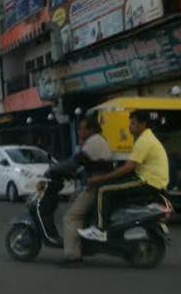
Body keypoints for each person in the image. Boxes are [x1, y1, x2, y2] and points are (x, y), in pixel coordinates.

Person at [79, 110, 169, 242]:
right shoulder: (145, 139)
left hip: (148, 181)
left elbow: (128, 167)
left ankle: (99, 230)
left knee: (103, 190)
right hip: (149, 179)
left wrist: (101, 179)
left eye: (133, 123)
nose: (129, 127)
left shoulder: (144, 140)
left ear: (142, 124)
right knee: (111, 188)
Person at [59, 114, 112, 266]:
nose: (79, 132)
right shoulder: (98, 141)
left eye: (81, 129)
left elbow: (75, 161)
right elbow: (85, 165)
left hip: (96, 186)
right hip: (96, 183)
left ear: (90, 130)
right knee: (74, 199)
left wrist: (53, 170)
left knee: (71, 217)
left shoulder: (93, 142)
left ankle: (73, 256)